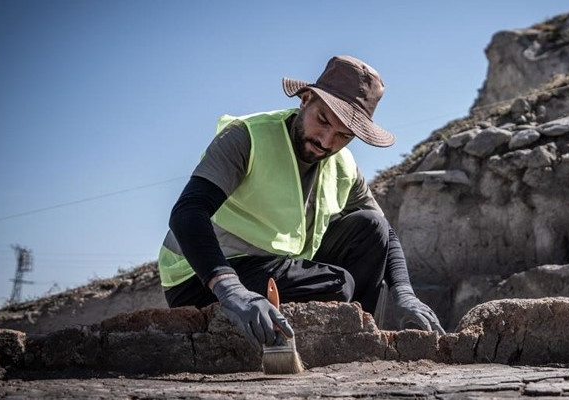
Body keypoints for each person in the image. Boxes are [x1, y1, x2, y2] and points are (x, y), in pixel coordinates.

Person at [158, 55, 445, 347]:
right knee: (338, 284)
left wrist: (404, 293)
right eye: (323, 121)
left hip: (276, 268)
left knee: (372, 227)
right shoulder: (247, 137)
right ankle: (331, 342)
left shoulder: (343, 165)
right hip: (201, 278)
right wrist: (230, 289)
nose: (327, 141)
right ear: (306, 99)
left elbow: (386, 233)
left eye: (343, 135)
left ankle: (358, 345)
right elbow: (187, 213)